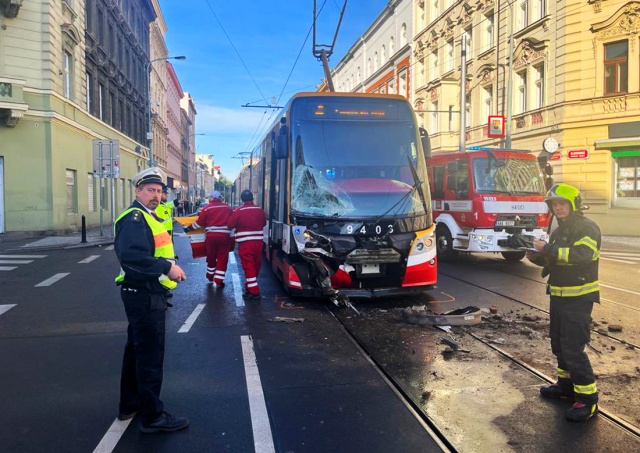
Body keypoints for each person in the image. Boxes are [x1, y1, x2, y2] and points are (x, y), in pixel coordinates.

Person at [114, 167, 189, 433]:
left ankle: (130, 404)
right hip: (144, 294)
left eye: (159, 191)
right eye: (150, 190)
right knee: (149, 357)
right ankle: (153, 416)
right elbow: (133, 257)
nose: (156, 195)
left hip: (144, 294)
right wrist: (167, 268)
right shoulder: (135, 218)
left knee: (136, 352)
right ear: (137, 191)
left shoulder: (149, 216)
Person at [526, 183, 601, 423]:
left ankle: (588, 400)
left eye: (562, 204)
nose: (558, 208)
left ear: (573, 205)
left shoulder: (587, 227)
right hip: (558, 296)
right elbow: (555, 259)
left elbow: (582, 256)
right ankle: (566, 386)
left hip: (578, 299)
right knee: (558, 343)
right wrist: (537, 256)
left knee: (572, 347)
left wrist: (547, 248)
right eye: (554, 204)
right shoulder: (559, 230)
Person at [184, 190, 233, 286]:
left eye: (210, 197)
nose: (209, 199)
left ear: (213, 198)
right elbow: (233, 222)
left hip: (211, 237)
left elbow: (199, 223)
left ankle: (210, 276)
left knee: (211, 256)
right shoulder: (228, 208)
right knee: (222, 258)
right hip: (224, 236)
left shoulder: (207, 208)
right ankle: (219, 280)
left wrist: (188, 228)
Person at [227, 190, 266, 300]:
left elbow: (230, 225)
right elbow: (264, 223)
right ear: (252, 198)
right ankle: (250, 287)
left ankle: (254, 291)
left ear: (242, 199)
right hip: (258, 242)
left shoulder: (239, 211)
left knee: (248, 266)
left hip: (245, 243)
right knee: (256, 265)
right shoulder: (259, 210)